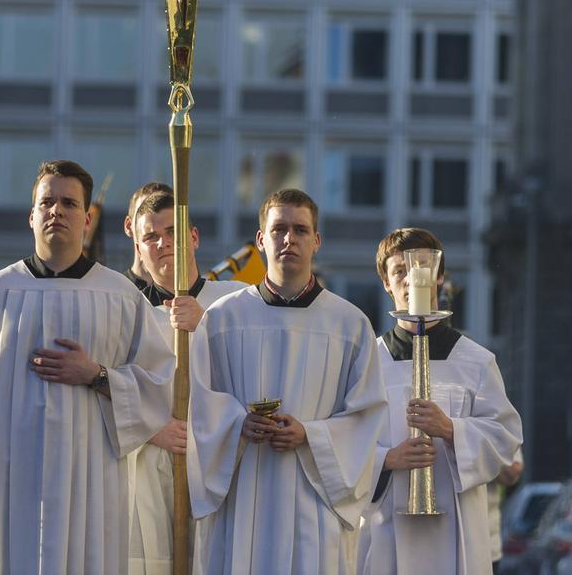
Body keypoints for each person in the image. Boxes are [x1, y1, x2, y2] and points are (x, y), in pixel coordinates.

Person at [0, 159, 175, 574]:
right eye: (47, 203)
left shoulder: (120, 297)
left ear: (87, 217)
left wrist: (97, 376)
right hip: (8, 485)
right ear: (31, 216)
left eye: (68, 203)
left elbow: (158, 387)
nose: (56, 211)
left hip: (91, 488)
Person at [187, 188, 387, 574]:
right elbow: (199, 406)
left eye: (300, 229)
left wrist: (310, 435)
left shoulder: (349, 324)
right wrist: (237, 425)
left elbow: (367, 418)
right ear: (261, 239)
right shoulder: (222, 319)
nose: (289, 239)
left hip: (313, 504)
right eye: (279, 229)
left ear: (317, 241)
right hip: (242, 499)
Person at [358, 227, 522, 575]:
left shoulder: (476, 361)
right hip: (386, 529)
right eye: (398, 270)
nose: (408, 279)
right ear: (386, 283)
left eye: (420, 268)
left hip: (457, 531)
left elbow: (505, 438)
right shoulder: (366, 363)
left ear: (440, 277)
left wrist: (451, 430)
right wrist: (386, 459)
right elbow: (342, 442)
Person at [127, 191, 244, 574]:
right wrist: (149, 427)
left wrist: (206, 323)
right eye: (150, 236)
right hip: (148, 472)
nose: (163, 243)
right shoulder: (125, 309)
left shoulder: (234, 303)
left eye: (172, 232)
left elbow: (257, 376)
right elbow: (101, 381)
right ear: (139, 247)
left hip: (223, 467)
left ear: (193, 238)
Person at [123, 181, 173, 289]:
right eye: (143, 211)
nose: (155, 219)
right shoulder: (115, 291)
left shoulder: (191, 294)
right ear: (128, 226)